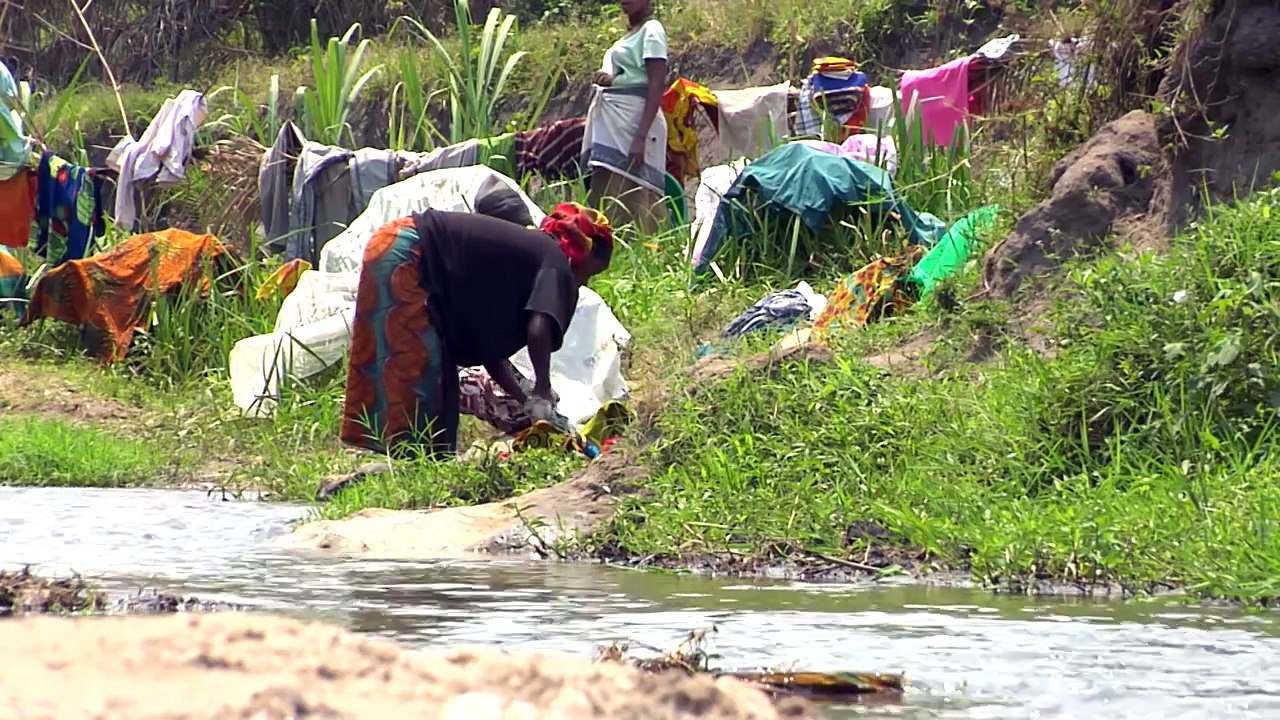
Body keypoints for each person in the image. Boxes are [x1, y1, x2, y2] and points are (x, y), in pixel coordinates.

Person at [340, 202, 614, 457]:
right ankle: (410, 466)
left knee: (429, 375)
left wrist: (526, 400)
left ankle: (412, 463)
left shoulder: (526, 262)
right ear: (585, 254)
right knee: (420, 372)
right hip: (409, 254)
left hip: (393, 244)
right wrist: (543, 388)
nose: (585, 281)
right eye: (592, 272)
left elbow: (488, 349)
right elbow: (539, 327)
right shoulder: (555, 262)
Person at [582, 0, 669, 234]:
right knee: (609, 189)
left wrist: (640, 136)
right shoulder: (628, 37)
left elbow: (656, 83)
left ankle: (648, 250)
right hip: (614, 124)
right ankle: (612, 248)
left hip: (637, 122)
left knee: (638, 190)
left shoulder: (652, 31)